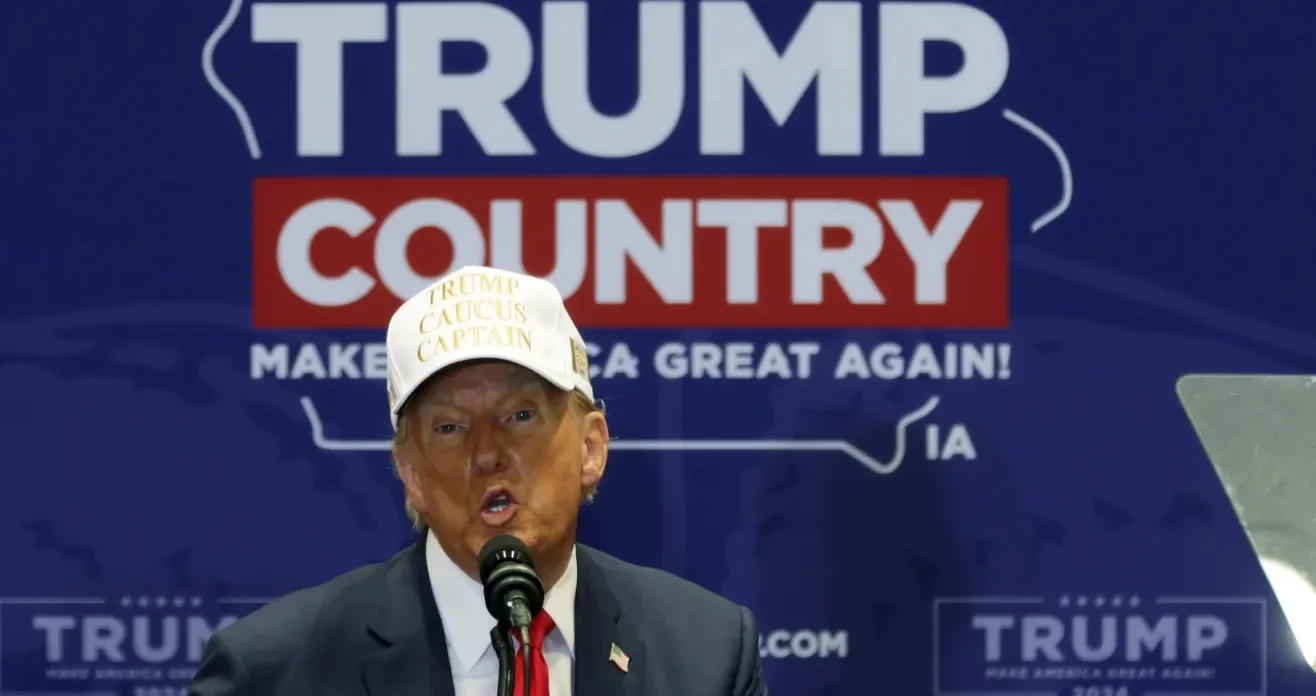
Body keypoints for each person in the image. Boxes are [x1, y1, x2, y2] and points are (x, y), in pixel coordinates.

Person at [189, 266, 767, 696]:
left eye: (520, 415)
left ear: (590, 448)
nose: (486, 454)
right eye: (449, 427)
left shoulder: (706, 654)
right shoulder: (271, 672)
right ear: (411, 474)